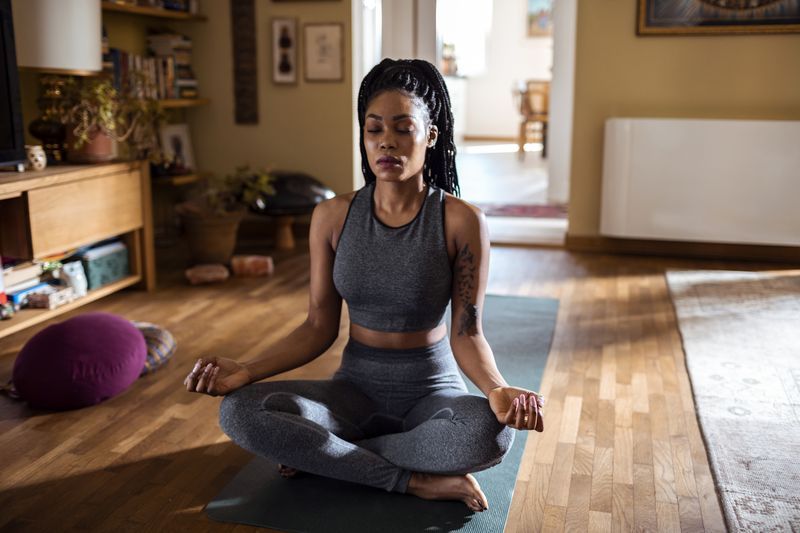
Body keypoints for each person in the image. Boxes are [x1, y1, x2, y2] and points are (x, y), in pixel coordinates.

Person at [184, 58, 545, 513]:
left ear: (430, 136)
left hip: (432, 393)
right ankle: (410, 479)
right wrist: (248, 371)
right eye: (374, 129)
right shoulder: (332, 216)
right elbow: (317, 325)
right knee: (238, 411)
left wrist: (497, 389)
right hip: (352, 393)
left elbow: (467, 331)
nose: (386, 142)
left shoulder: (460, 220)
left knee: (490, 434)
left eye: (403, 128)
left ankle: (330, 456)